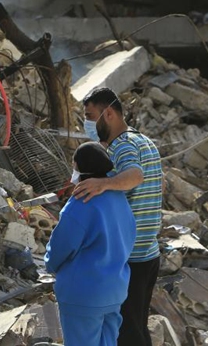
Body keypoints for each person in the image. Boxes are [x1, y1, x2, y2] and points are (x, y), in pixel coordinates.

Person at [73, 87, 163, 346]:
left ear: (108, 113)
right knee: (137, 328)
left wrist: (102, 183)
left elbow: (135, 176)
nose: (87, 123)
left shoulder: (123, 145)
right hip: (148, 253)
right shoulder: (144, 141)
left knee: (128, 334)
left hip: (130, 257)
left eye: (90, 116)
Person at [45, 142, 136, 346]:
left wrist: (49, 263)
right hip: (115, 290)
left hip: (83, 295)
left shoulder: (80, 202)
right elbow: (129, 237)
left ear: (80, 166)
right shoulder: (119, 197)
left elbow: (62, 246)